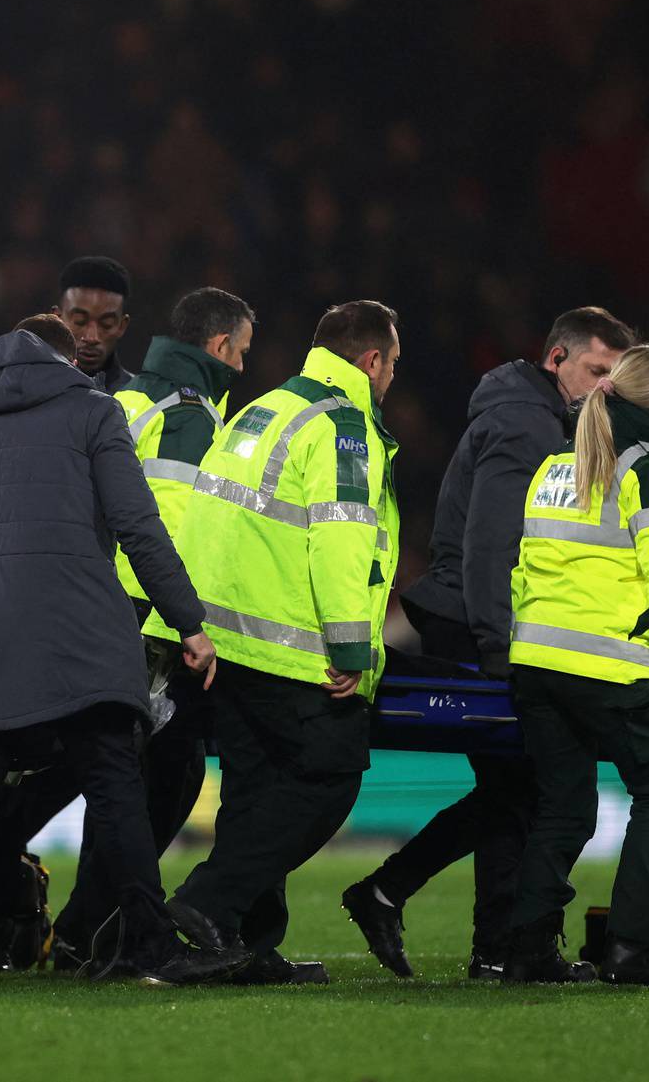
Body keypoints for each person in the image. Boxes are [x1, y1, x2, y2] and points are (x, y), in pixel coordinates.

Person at [0, 316, 248, 988]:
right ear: (65, 359)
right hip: (75, 635)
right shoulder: (91, 410)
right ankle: (149, 946)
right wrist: (188, 622)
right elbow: (138, 524)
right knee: (113, 785)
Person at [345, 307, 634, 979]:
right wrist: (500, 650)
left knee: (519, 786)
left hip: (480, 616)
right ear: (557, 359)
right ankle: (425, 907)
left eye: (613, 379)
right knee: (529, 784)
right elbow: (490, 545)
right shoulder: (525, 424)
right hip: (480, 619)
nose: (603, 390)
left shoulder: (537, 418)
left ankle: (483, 941)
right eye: (596, 371)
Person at [0, 287, 255, 972]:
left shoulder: (125, 400)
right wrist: (183, 626)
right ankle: (94, 932)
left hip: (74, 609)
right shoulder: (189, 414)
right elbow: (176, 531)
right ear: (218, 347)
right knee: (148, 781)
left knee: (74, 770)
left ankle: (26, 923)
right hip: (142, 622)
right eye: (242, 352)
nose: (245, 366)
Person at [161, 301, 403, 983]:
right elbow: (341, 539)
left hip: (228, 638)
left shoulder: (261, 409)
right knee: (327, 779)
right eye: (391, 364)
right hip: (294, 645)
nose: (391, 379)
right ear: (371, 361)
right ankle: (210, 900)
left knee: (254, 789)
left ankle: (241, 944)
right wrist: (352, 646)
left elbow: (208, 517)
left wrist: (195, 626)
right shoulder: (341, 425)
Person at [502, 343, 649, 988]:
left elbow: (528, 566)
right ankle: (631, 948)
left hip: (536, 659)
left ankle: (527, 951)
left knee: (564, 807)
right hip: (600, 665)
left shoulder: (555, 464)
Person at [52, 256, 136, 392]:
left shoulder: (145, 399)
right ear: (57, 319)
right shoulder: (25, 390)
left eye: (106, 324)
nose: (92, 337)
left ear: (122, 326)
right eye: (79, 321)